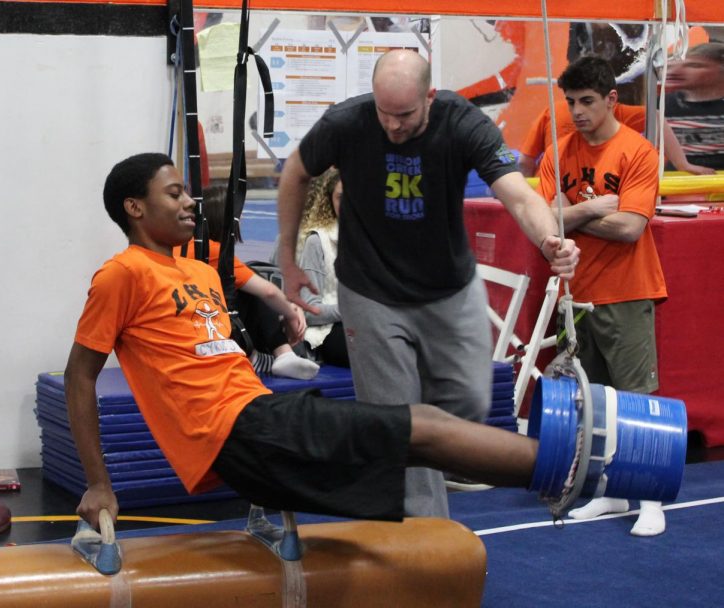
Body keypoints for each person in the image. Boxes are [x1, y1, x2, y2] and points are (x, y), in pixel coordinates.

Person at [65, 152, 541, 528]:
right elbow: (79, 377)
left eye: (187, 192)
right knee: (426, 427)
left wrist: (288, 311)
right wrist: (98, 483)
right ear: (135, 208)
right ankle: (583, 464)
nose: (189, 201)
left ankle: (563, 471)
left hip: (260, 416)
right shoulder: (122, 274)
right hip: (236, 430)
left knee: (421, 441)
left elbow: (259, 293)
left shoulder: (198, 266)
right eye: (174, 194)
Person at [275, 49, 580, 518]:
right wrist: (289, 259)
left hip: (446, 289)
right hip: (370, 288)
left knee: (467, 403)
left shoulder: (463, 122)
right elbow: (295, 173)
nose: (393, 127)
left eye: (405, 115)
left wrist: (549, 240)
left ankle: (428, 469)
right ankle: (423, 530)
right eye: (384, 114)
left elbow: (517, 193)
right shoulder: (346, 122)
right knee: (401, 418)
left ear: (431, 97)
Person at [536, 56, 669, 536]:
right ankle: (611, 493)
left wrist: (572, 212)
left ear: (611, 99)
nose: (576, 112)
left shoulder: (637, 151)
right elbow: (544, 219)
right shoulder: (558, 150)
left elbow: (632, 228)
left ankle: (650, 499)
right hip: (576, 293)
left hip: (628, 290)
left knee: (636, 398)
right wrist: (593, 207)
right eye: (570, 102)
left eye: (587, 101)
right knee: (593, 401)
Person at [179, 185, 319, 380]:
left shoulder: (183, 246)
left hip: (198, 324)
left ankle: (260, 356)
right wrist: (291, 311)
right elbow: (268, 292)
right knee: (253, 287)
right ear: (225, 219)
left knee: (248, 282)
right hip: (205, 327)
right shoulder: (213, 252)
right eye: (238, 215)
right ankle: (282, 353)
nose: (242, 220)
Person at [519, 101, 711, 177]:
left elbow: (525, 162)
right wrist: (682, 164)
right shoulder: (609, 109)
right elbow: (525, 162)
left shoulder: (554, 110)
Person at [295, 168, 349, 367]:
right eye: (342, 197)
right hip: (330, 330)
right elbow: (309, 310)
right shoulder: (317, 241)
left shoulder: (375, 240)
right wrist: (353, 309)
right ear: (330, 201)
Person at [664, 42, 724, 172]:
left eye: (694, 66)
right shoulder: (662, 105)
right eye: (669, 67)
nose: (674, 72)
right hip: (681, 181)